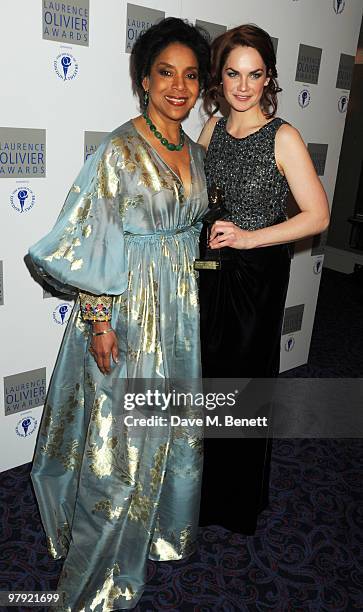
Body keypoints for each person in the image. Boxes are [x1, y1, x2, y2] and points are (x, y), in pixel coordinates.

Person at [28, 18, 210, 610]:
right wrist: (100, 323)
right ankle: (99, 572)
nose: (178, 87)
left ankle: (157, 528)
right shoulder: (118, 150)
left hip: (178, 313)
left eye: (190, 75)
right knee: (119, 444)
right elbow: (94, 241)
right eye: (165, 73)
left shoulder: (197, 152)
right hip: (128, 313)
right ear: (143, 79)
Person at [197, 24, 330, 535]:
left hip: (255, 278)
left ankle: (234, 503)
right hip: (210, 272)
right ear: (220, 77)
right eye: (233, 73)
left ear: (269, 76)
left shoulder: (284, 137)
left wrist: (250, 238)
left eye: (255, 74)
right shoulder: (211, 131)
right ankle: (200, 490)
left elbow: (317, 217)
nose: (244, 86)